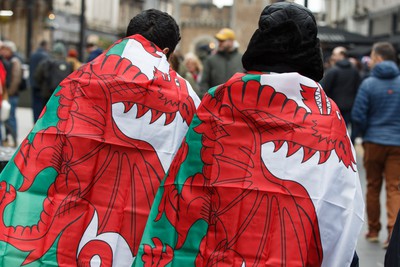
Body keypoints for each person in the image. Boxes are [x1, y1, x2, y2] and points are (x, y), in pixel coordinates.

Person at [134, 2, 364, 267]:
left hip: (218, 245)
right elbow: (340, 198)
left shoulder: (218, 98)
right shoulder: (326, 115)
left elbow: (186, 178)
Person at [0, 9, 200, 266]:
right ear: (168, 51)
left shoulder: (81, 80)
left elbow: (44, 142)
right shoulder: (187, 98)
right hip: (140, 220)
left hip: (74, 211)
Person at [351, 41, 400, 249]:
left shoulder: (369, 84)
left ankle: (373, 229)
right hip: (397, 143)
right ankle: (392, 233)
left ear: (379, 58)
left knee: (372, 186)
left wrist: (359, 135)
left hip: (373, 142)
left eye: (372, 56)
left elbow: (358, 115)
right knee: (394, 187)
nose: (370, 61)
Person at [320, 46, 361, 129]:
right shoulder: (354, 71)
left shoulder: (333, 71)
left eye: (334, 54)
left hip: (334, 107)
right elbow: (358, 88)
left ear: (342, 55)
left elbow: (325, 89)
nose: (332, 57)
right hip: (350, 106)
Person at [199, 27, 243, 98]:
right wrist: (207, 98)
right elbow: (204, 83)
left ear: (231, 41)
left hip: (236, 103)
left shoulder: (242, 59)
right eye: (219, 40)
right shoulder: (210, 60)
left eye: (222, 40)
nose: (219, 43)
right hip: (215, 103)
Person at [0, 40, 23, 147]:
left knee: (10, 118)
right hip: (8, 94)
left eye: (4, 49)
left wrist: (8, 94)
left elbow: (15, 80)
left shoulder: (14, 61)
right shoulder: (8, 60)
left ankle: (14, 140)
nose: (2, 51)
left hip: (11, 95)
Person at [29, 40, 50, 122]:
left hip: (33, 83)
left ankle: (35, 120)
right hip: (41, 84)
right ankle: (39, 121)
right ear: (45, 46)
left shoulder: (33, 55)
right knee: (41, 104)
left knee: (34, 104)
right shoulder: (45, 56)